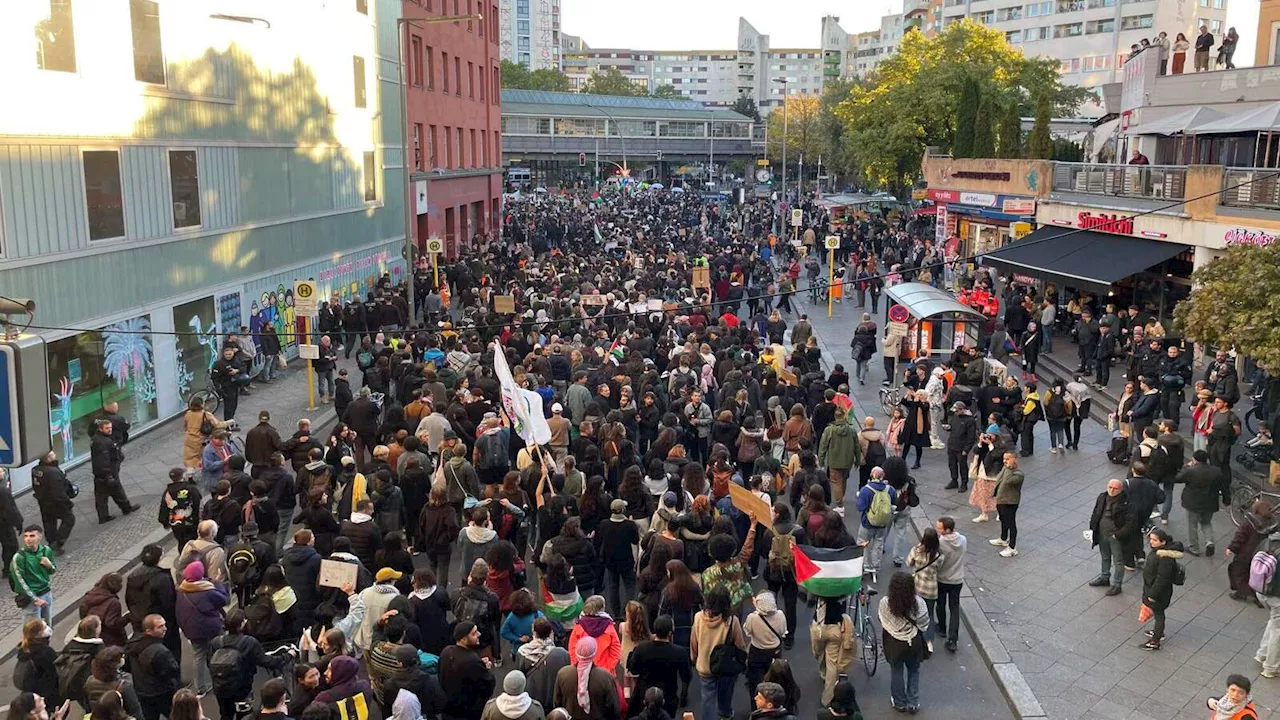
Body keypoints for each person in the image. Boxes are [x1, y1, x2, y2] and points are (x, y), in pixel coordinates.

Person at [174, 561, 229, 697]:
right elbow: (223, 600)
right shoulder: (207, 590)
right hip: (210, 628)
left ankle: (201, 688)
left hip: (192, 630)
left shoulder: (182, 589)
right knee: (218, 650)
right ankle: (222, 677)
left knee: (198, 655)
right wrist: (218, 583)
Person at [690, 587, 746, 720]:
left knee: (707, 699)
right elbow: (740, 645)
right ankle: (725, 715)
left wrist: (695, 658)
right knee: (725, 695)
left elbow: (694, 641)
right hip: (726, 667)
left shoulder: (698, 617)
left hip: (705, 666)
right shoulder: (732, 621)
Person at [880, 571, 929, 713]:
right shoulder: (919, 603)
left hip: (894, 643)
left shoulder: (885, 603)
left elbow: (883, 621)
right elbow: (924, 624)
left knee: (896, 670)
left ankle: (899, 702)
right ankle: (913, 702)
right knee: (914, 670)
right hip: (914, 642)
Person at [627, 615, 691, 717]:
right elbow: (686, 676)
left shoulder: (642, 648)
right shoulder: (679, 652)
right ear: (670, 633)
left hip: (644, 693)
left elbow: (634, 670)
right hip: (668, 696)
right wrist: (683, 695)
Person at [125, 545, 180, 659]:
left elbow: (129, 599)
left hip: (140, 621)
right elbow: (168, 604)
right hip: (161, 622)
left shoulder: (132, 577)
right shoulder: (161, 578)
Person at [124, 615, 181, 720]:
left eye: (164, 625)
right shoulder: (160, 651)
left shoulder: (132, 644)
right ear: (149, 631)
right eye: (160, 627)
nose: (165, 628)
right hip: (162, 692)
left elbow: (127, 666)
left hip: (142, 691)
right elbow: (172, 671)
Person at [554, 635, 622, 720]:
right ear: (594, 653)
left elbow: (557, 704)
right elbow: (614, 708)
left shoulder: (563, 674)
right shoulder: (605, 677)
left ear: (576, 652)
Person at [1088, 479, 1137, 596]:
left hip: (1116, 537)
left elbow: (1131, 523)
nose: (1111, 490)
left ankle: (1117, 584)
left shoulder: (1127, 502)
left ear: (1120, 489)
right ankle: (1105, 577)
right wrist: (1093, 527)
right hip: (1102, 533)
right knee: (1105, 556)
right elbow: (1096, 512)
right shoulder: (1102, 497)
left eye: (1115, 488)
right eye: (1110, 487)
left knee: (1118, 561)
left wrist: (1118, 534)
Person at [1139, 528, 1184, 651]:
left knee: (1159, 615)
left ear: (1163, 542)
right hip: (1154, 589)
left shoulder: (1165, 558)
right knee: (1158, 613)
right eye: (1151, 539)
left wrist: (1152, 594)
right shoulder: (1159, 552)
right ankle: (1158, 633)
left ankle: (1155, 641)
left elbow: (1162, 578)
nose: (1151, 542)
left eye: (1155, 540)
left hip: (1159, 592)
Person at [1173, 449, 1224, 557]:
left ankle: (1194, 548)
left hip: (1193, 502)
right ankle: (1209, 541)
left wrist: (1187, 466)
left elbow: (1178, 478)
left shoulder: (1191, 471)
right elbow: (1223, 486)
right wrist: (1226, 498)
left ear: (1194, 459)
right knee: (1206, 522)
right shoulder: (1216, 471)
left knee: (1192, 525)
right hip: (1210, 502)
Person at [90, 419, 139, 524]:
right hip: (109, 472)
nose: (110, 430)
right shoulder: (104, 442)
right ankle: (126, 508)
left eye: (110, 428)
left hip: (101, 473)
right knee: (117, 491)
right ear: (101, 429)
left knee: (101, 496)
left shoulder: (98, 439)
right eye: (107, 428)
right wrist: (108, 475)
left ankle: (103, 516)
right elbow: (104, 459)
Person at [854, 467, 896, 584]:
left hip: (868, 523)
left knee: (863, 543)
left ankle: (865, 566)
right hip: (883, 523)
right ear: (883, 477)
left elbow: (860, 507)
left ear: (872, 476)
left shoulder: (866, 490)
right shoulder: (890, 489)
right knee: (878, 544)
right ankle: (876, 567)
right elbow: (893, 503)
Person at [743, 589, 787, 696]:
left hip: (757, 653)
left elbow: (747, 631)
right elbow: (782, 632)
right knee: (774, 680)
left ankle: (756, 707)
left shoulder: (752, 618)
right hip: (774, 653)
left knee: (755, 683)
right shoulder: (780, 615)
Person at [30, 452, 74, 555]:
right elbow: (58, 492)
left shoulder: (36, 469)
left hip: (43, 500)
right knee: (69, 519)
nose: (55, 453)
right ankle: (57, 544)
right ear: (49, 458)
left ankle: (51, 541)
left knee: (49, 522)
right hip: (56, 502)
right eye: (52, 453)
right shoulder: (53, 472)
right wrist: (68, 502)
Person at [934, 516, 966, 653]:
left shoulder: (941, 544)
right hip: (957, 579)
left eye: (940, 528)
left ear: (947, 529)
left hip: (942, 579)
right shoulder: (963, 540)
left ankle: (941, 628)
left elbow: (937, 561)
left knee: (940, 604)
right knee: (954, 608)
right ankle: (953, 639)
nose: (937, 529)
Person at [10, 526, 56, 622]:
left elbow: (52, 570)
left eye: (32, 536)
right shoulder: (19, 557)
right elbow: (20, 581)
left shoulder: (46, 550)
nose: (28, 539)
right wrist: (34, 599)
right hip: (31, 598)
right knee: (32, 629)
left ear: (40, 537)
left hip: (46, 592)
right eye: (26, 536)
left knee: (47, 626)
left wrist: (49, 565)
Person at [906, 528, 940, 650]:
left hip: (917, 587)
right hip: (931, 589)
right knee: (929, 614)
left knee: (915, 612)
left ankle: (914, 637)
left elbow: (908, 562)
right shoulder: (938, 554)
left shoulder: (916, 550)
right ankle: (929, 642)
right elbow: (940, 568)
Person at [13, 619, 59, 708]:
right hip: (47, 693)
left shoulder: (24, 649)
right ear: (37, 634)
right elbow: (55, 671)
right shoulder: (44, 652)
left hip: (33, 689)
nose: (48, 629)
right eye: (44, 627)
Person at [988, 452, 1024, 558]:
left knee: (1011, 523)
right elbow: (999, 479)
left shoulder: (1019, 474)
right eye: (1004, 458)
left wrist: (1008, 468)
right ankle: (1003, 539)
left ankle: (1012, 547)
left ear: (1014, 459)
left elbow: (1008, 481)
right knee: (1003, 520)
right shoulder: (1005, 469)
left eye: (1008, 459)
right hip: (1001, 500)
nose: (1005, 461)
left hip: (1010, 502)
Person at [80, 573, 129, 647]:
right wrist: (127, 618)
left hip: (94, 636)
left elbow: (82, 615)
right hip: (112, 639)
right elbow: (112, 623)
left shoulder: (88, 596)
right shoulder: (113, 602)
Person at [943, 401, 976, 491]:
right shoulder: (955, 416)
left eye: (957, 411)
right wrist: (948, 427)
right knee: (952, 464)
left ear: (962, 410)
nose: (955, 413)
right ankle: (954, 480)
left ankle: (964, 483)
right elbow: (953, 427)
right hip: (952, 444)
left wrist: (966, 449)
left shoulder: (970, 420)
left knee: (962, 466)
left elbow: (971, 436)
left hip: (961, 447)